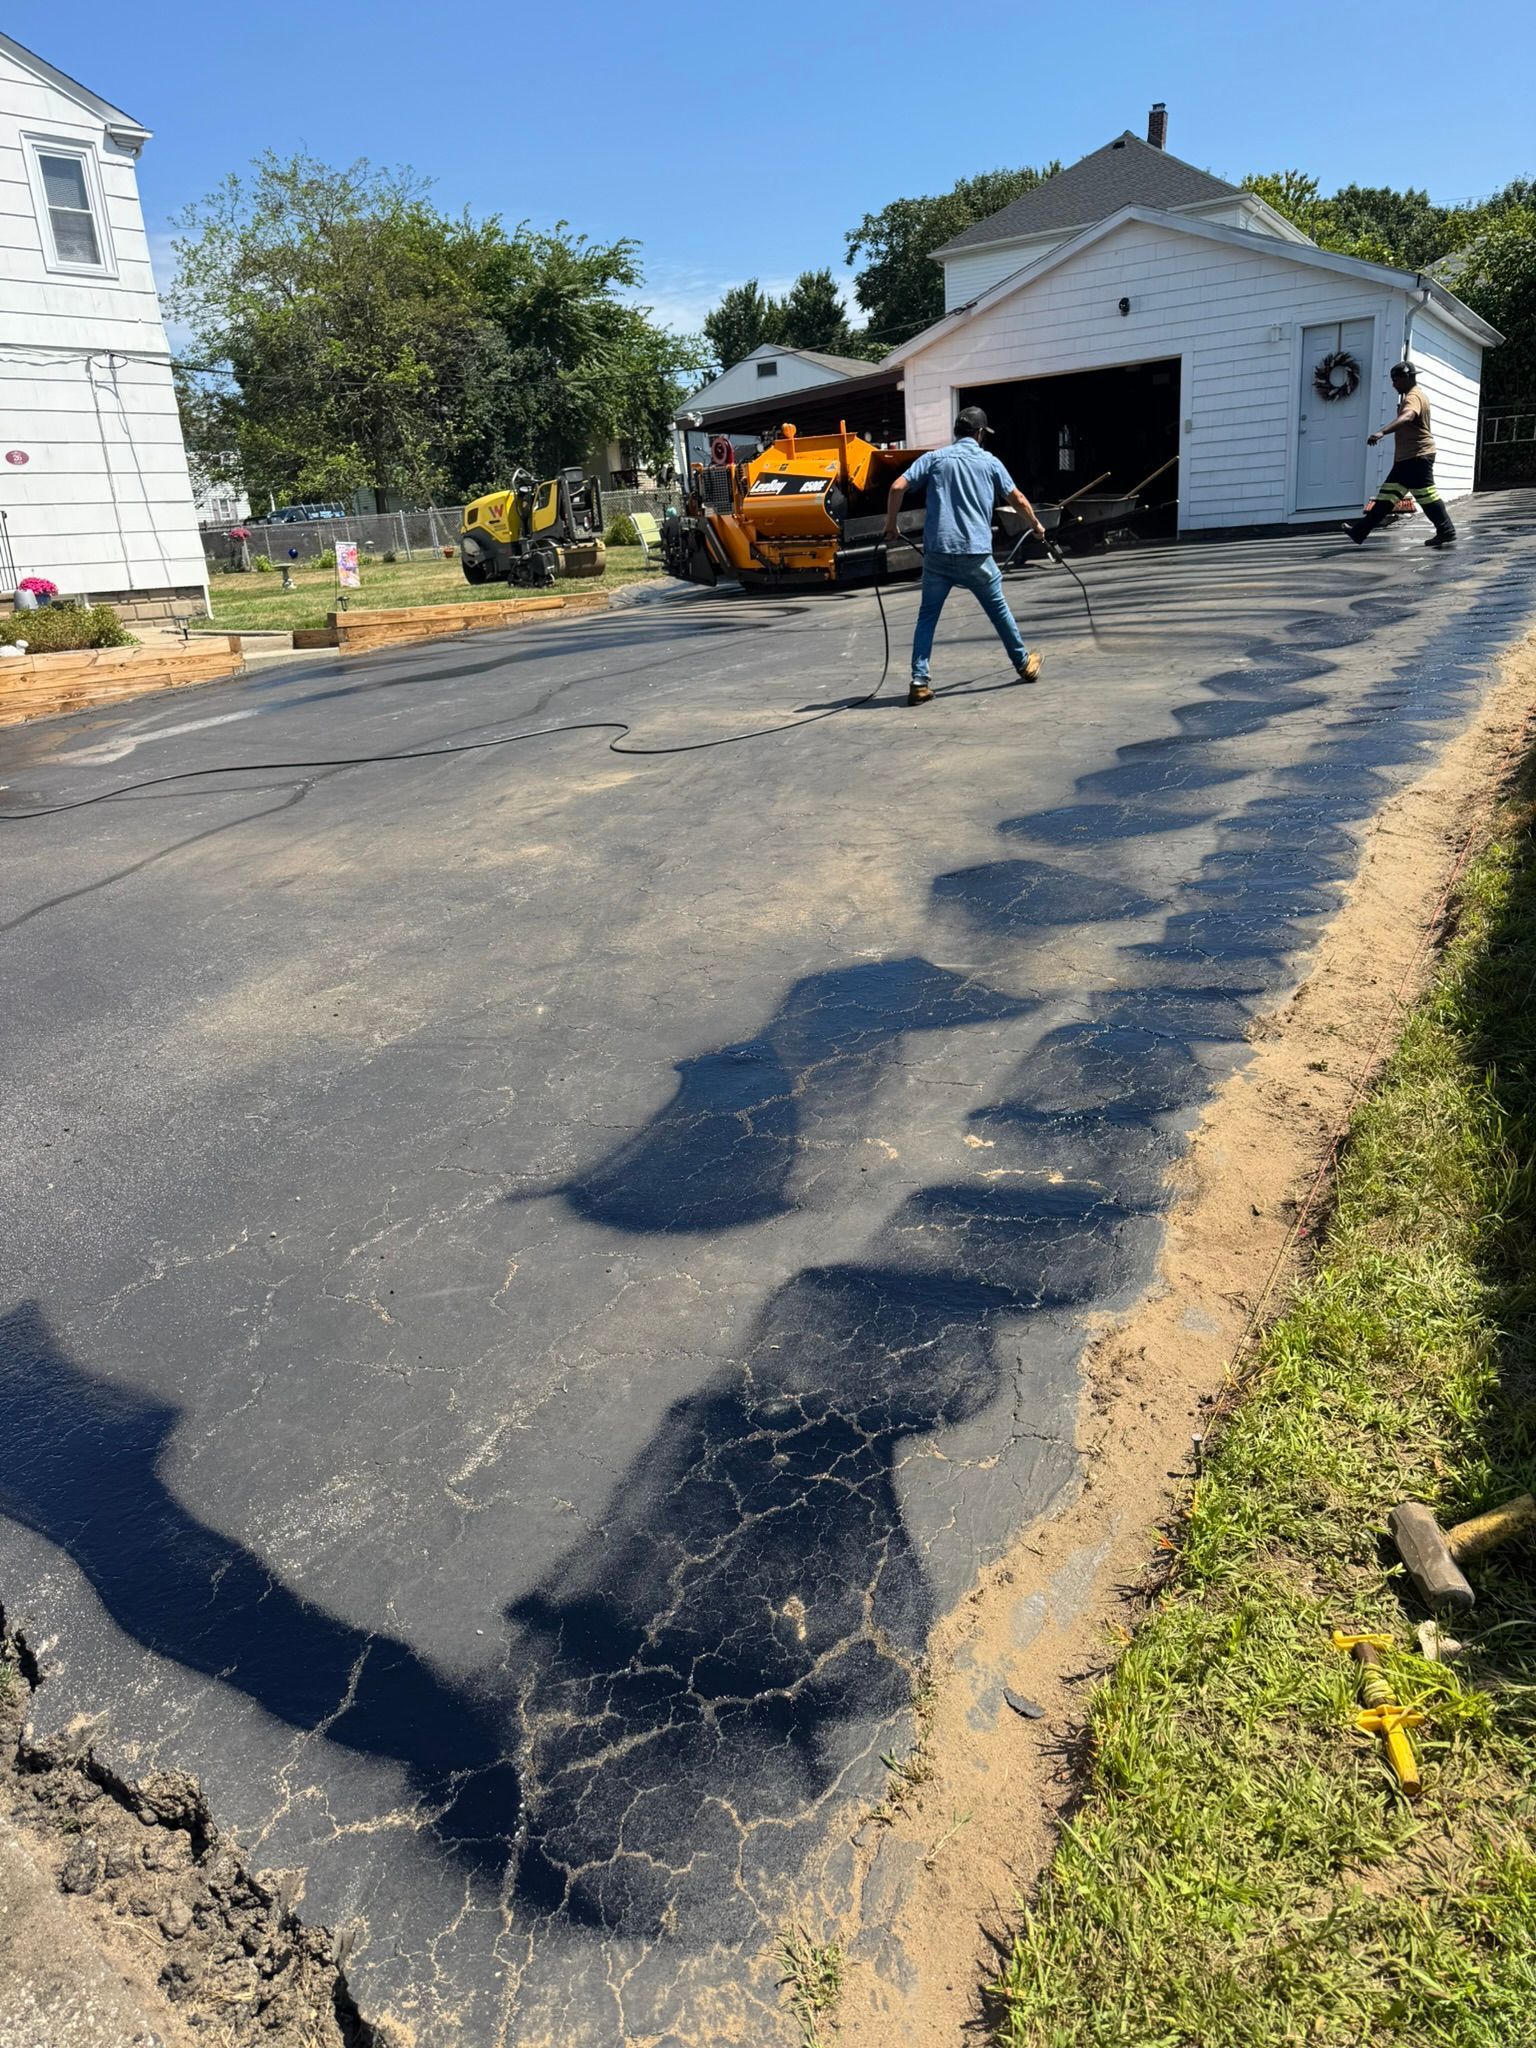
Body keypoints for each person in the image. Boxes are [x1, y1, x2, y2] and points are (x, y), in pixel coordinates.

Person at [884, 407, 1051, 707]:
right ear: (980, 434)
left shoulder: (935, 459)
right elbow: (1019, 499)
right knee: (998, 609)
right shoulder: (990, 462)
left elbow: (897, 486)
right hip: (975, 554)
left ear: (957, 433)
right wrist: (1037, 526)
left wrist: (891, 526)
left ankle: (919, 682)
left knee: (927, 617)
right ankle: (1024, 663)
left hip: (937, 553)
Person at [1345, 363, 1456, 549]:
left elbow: (1407, 417)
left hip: (1417, 456)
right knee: (1387, 498)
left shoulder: (1413, 397)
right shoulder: (1412, 395)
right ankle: (1359, 532)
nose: (1393, 385)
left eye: (1396, 380)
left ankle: (1447, 531)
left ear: (1407, 377)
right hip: (1408, 458)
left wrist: (1382, 432)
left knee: (1426, 496)